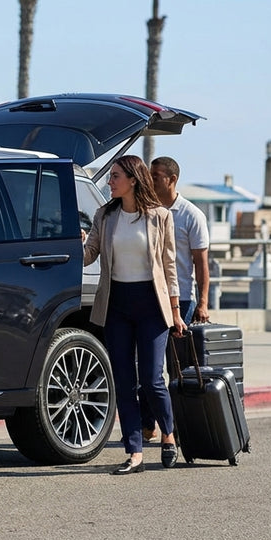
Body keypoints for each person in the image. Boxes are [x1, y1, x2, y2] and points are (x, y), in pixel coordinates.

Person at [82, 154, 184, 474]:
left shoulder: (160, 217)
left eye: (115, 177)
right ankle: (134, 451)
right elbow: (88, 257)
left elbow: (169, 267)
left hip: (152, 304)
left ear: (132, 179)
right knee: (124, 382)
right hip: (117, 304)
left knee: (152, 379)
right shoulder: (105, 215)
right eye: (110, 176)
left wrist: (177, 312)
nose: (109, 182)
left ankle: (168, 435)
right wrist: (76, 242)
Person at [139, 156, 212, 441]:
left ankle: (180, 426)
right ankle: (148, 426)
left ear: (172, 179)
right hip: (150, 296)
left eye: (156, 175)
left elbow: (201, 264)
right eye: (150, 174)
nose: (151, 179)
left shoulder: (191, 215)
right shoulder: (146, 210)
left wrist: (203, 303)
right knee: (146, 367)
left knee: (176, 368)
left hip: (181, 300)